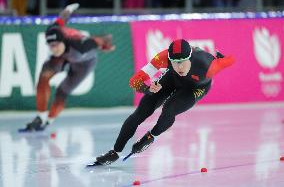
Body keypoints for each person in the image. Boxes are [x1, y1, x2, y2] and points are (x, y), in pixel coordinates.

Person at [89, 39, 235, 166]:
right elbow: (134, 82)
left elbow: (231, 60)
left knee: (169, 109)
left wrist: (221, 58)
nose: (179, 67)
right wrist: (147, 88)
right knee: (142, 111)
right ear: (169, 59)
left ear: (189, 58)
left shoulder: (208, 65)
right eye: (175, 63)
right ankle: (115, 151)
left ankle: (151, 136)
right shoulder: (163, 57)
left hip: (196, 88)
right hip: (172, 79)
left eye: (182, 62)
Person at [19, 3, 115, 132]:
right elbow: (61, 19)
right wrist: (68, 9)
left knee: (62, 91)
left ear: (63, 41)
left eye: (56, 45)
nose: (54, 49)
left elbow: (102, 39)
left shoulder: (81, 45)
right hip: (65, 57)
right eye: (51, 46)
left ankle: (48, 121)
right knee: (44, 76)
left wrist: (105, 44)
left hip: (84, 62)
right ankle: (41, 117)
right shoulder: (53, 30)